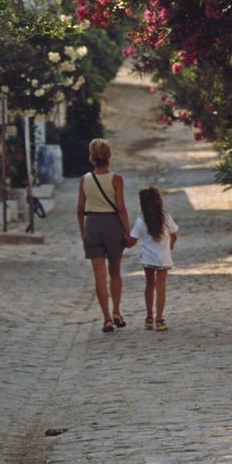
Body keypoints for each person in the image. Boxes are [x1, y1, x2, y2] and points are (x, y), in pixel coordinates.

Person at [76, 138, 136, 333]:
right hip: (112, 225)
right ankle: (117, 311)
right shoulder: (116, 179)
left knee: (99, 275)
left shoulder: (84, 180)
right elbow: (121, 208)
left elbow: (79, 209)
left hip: (92, 224)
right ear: (109, 156)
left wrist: (83, 232)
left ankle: (106, 319)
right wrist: (128, 232)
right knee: (115, 271)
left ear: (91, 158)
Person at [130, 187, 178, 332]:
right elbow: (174, 233)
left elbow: (132, 239)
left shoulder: (141, 220)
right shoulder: (166, 218)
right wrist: (170, 246)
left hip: (148, 257)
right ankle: (159, 319)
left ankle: (149, 317)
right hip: (163, 258)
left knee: (149, 285)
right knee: (161, 287)